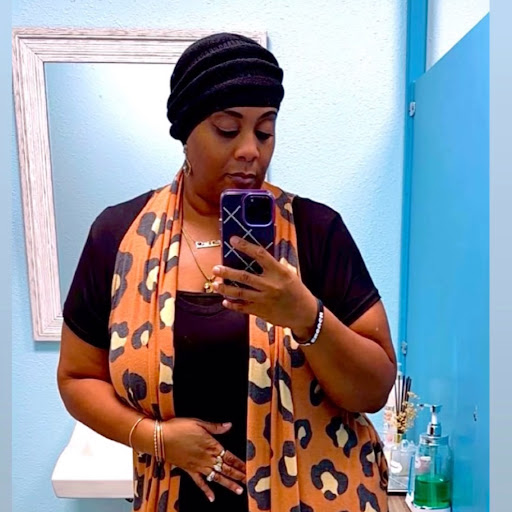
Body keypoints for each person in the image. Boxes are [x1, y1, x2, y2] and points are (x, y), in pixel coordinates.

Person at [57, 32, 397, 512]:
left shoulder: (316, 232)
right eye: (226, 129)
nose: (250, 150)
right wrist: (155, 438)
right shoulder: (117, 235)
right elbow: (77, 377)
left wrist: (306, 315)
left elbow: (374, 390)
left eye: (264, 131)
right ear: (186, 131)